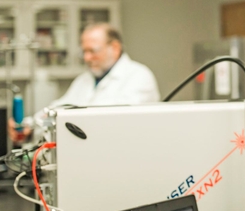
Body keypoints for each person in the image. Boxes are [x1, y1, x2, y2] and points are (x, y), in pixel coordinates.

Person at [10, 23, 159, 140]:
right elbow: (58, 110)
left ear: (114, 48)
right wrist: (28, 126)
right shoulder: (84, 80)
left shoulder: (139, 76)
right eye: (84, 52)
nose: (86, 58)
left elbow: (108, 122)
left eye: (92, 51)